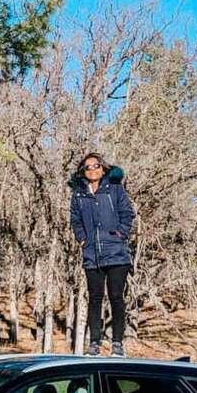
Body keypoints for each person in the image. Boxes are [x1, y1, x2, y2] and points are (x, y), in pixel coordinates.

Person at [68, 152, 135, 356]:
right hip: (92, 255)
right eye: (88, 167)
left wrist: (121, 233)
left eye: (96, 165)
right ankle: (94, 343)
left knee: (116, 297)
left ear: (103, 168)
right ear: (83, 171)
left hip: (116, 253)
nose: (92, 170)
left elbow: (127, 213)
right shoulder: (79, 194)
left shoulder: (114, 189)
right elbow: (75, 219)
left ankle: (117, 343)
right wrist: (82, 238)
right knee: (95, 298)